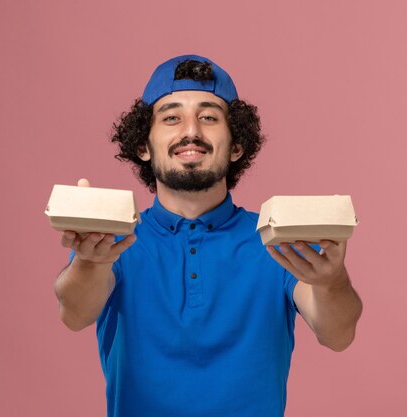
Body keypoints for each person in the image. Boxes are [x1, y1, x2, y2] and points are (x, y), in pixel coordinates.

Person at [53, 55, 363, 417]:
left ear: (236, 146)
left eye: (209, 117)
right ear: (143, 145)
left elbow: (338, 335)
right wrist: (90, 262)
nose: (191, 131)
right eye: (171, 117)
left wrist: (332, 281)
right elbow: (74, 314)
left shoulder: (276, 237)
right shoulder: (112, 240)